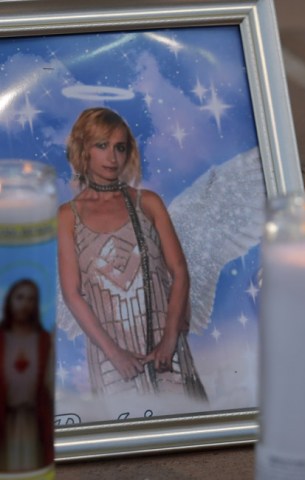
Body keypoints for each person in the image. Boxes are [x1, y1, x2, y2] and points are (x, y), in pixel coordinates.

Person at [58, 107, 207, 404]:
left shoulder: (147, 203)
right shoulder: (67, 217)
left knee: (183, 428)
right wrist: (115, 355)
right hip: (111, 358)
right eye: (102, 146)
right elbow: (72, 294)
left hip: (164, 347)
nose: (112, 157)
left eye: (120, 147)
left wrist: (168, 340)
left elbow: (179, 273)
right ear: (82, 148)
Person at [0, 279, 54, 472]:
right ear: (10, 300)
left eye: (31, 299)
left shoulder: (43, 339)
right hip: (6, 419)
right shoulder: (2, 337)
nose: (25, 304)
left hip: (33, 420)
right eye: (20, 297)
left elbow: (47, 382)